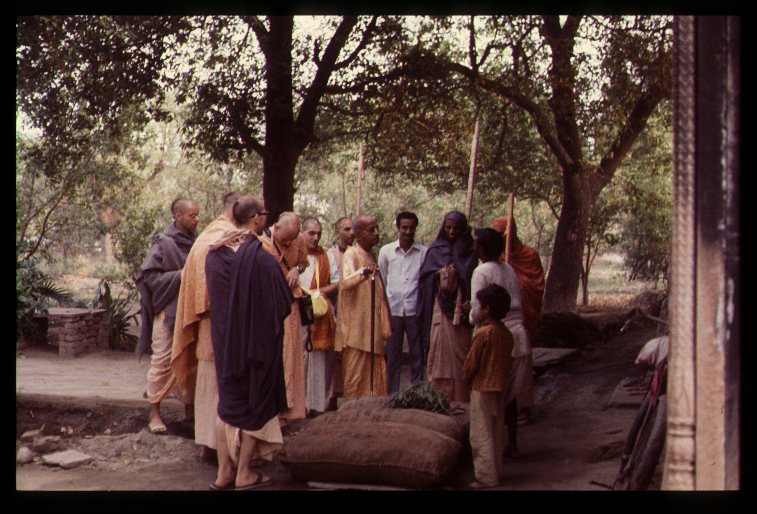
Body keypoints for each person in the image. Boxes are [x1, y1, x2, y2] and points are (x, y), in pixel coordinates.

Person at [205, 196, 291, 490]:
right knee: (256, 404)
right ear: (256, 218)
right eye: (264, 213)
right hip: (254, 347)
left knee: (226, 406)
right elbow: (282, 303)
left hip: (225, 344)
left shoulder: (214, 254)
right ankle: (243, 474)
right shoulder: (261, 258)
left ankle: (223, 473)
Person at [170, 191, 244, 462]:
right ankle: (220, 451)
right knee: (217, 388)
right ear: (237, 211)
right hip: (219, 326)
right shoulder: (224, 237)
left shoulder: (207, 236)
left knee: (208, 386)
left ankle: (208, 446)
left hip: (210, 328)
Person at [135, 198, 199, 434]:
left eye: (197, 215)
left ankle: (190, 412)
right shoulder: (163, 243)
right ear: (178, 216)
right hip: (168, 313)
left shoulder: (198, 242)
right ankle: (154, 414)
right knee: (162, 361)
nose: (197, 219)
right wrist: (180, 276)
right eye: (192, 215)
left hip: (192, 313)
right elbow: (148, 278)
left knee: (193, 362)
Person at [469, 227, 530, 459]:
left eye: (476, 245)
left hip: (495, 337)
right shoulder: (509, 269)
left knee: (490, 394)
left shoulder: (481, 271)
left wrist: (470, 316)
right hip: (518, 335)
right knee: (509, 394)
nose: (474, 248)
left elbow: (477, 311)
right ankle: (511, 443)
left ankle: (490, 448)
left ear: (482, 249)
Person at [417, 210, 477, 403]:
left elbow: (473, 278)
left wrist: (458, 278)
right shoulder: (435, 250)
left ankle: (461, 400)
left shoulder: (471, 250)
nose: (451, 231)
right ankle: (439, 399)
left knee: (461, 356)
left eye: (456, 228)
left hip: (463, 313)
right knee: (439, 352)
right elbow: (424, 279)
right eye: (448, 227)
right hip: (441, 310)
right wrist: (439, 276)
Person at [491, 215, 545, 421]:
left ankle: (523, 407)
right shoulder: (495, 258)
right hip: (498, 318)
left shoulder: (529, 254)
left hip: (519, 316)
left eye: (502, 233)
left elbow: (536, 284)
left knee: (522, 364)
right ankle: (504, 409)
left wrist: (517, 282)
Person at [334, 214, 392, 399]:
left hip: (372, 328)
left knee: (374, 378)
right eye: (371, 229)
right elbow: (346, 283)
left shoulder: (371, 255)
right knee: (355, 378)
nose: (377, 233)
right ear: (358, 234)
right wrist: (363, 273)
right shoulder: (352, 253)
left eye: (377, 228)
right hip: (356, 330)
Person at [260, 212, 309, 424]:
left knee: (291, 355)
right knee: (276, 355)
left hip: (291, 302)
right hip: (269, 305)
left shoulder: (297, 239)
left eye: (292, 239)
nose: (289, 242)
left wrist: (296, 270)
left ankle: (290, 408)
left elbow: (303, 262)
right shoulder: (261, 241)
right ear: (276, 228)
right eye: (285, 239)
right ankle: (273, 408)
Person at [464, 283, 514, 489]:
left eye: (481, 307)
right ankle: (497, 472)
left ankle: (485, 477)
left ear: (487, 309)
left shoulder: (483, 334)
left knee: (480, 435)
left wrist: (467, 380)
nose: (479, 310)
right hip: (500, 386)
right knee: (495, 432)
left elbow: (471, 364)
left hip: (482, 387)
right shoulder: (506, 333)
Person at [378, 211, 427, 394]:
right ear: (398, 228)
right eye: (404, 227)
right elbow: (383, 278)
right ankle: (392, 393)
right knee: (393, 354)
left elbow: (423, 281)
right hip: (394, 309)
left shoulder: (423, 252)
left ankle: (416, 392)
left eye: (411, 228)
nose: (408, 231)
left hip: (414, 309)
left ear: (415, 228)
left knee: (416, 353)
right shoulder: (386, 251)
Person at [299, 217, 340, 416]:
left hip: (321, 311)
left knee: (320, 360)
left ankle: (317, 405)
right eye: (311, 233)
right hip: (297, 312)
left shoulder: (326, 256)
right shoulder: (293, 254)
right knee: (300, 359)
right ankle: (299, 406)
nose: (316, 238)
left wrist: (316, 293)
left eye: (319, 234)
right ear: (301, 233)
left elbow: (337, 283)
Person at [327, 215, 355, 406]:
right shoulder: (329, 255)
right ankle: (331, 397)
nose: (350, 233)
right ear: (337, 232)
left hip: (353, 311)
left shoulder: (359, 254)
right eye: (346, 229)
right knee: (333, 356)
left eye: (352, 229)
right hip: (334, 309)